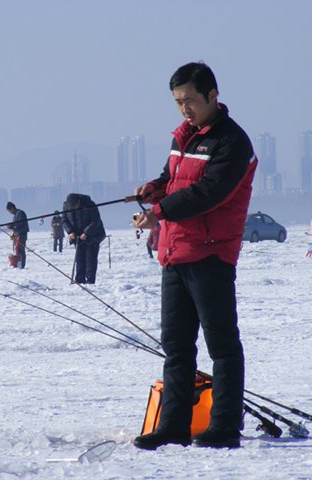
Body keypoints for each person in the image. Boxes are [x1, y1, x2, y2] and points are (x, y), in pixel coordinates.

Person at [132, 62, 257, 450]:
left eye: (189, 101)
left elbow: (209, 193)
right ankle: (173, 426)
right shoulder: (183, 137)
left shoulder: (233, 143)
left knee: (222, 345)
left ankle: (224, 427)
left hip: (211, 255)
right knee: (177, 347)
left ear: (212, 96)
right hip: (174, 253)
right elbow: (174, 179)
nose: (184, 109)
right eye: (177, 102)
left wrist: (161, 211)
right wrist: (154, 189)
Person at [62, 193, 106, 284]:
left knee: (90, 259)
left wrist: (86, 232)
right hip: (77, 237)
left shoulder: (89, 204)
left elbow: (96, 221)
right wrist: (70, 232)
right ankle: (79, 280)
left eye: (75, 206)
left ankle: (90, 281)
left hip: (93, 236)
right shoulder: (66, 206)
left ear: (78, 201)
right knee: (79, 259)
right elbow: (64, 220)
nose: (74, 208)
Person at [6, 201, 29, 268]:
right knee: (16, 250)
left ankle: (21, 265)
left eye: (9, 211)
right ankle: (18, 264)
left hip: (21, 235)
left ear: (12, 208)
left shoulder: (20, 213)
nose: (10, 213)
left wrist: (11, 225)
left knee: (20, 250)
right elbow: (15, 226)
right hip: (16, 235)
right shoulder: (15, 215)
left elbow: (19, 224)